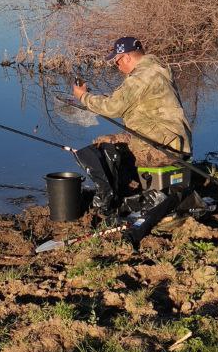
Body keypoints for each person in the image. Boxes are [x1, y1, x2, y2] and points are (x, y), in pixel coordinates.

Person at [73, 36, 193, 218]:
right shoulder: (157, 70)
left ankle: (111, 201)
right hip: (176, 143)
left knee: (101, 146)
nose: (118, 66)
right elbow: (126, 100)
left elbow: (112, 107)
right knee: (118, 141)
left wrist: (83, 97)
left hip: (161, 147)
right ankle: (135, 186)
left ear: (126, 57)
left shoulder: (140, 77)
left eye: (117, 61)